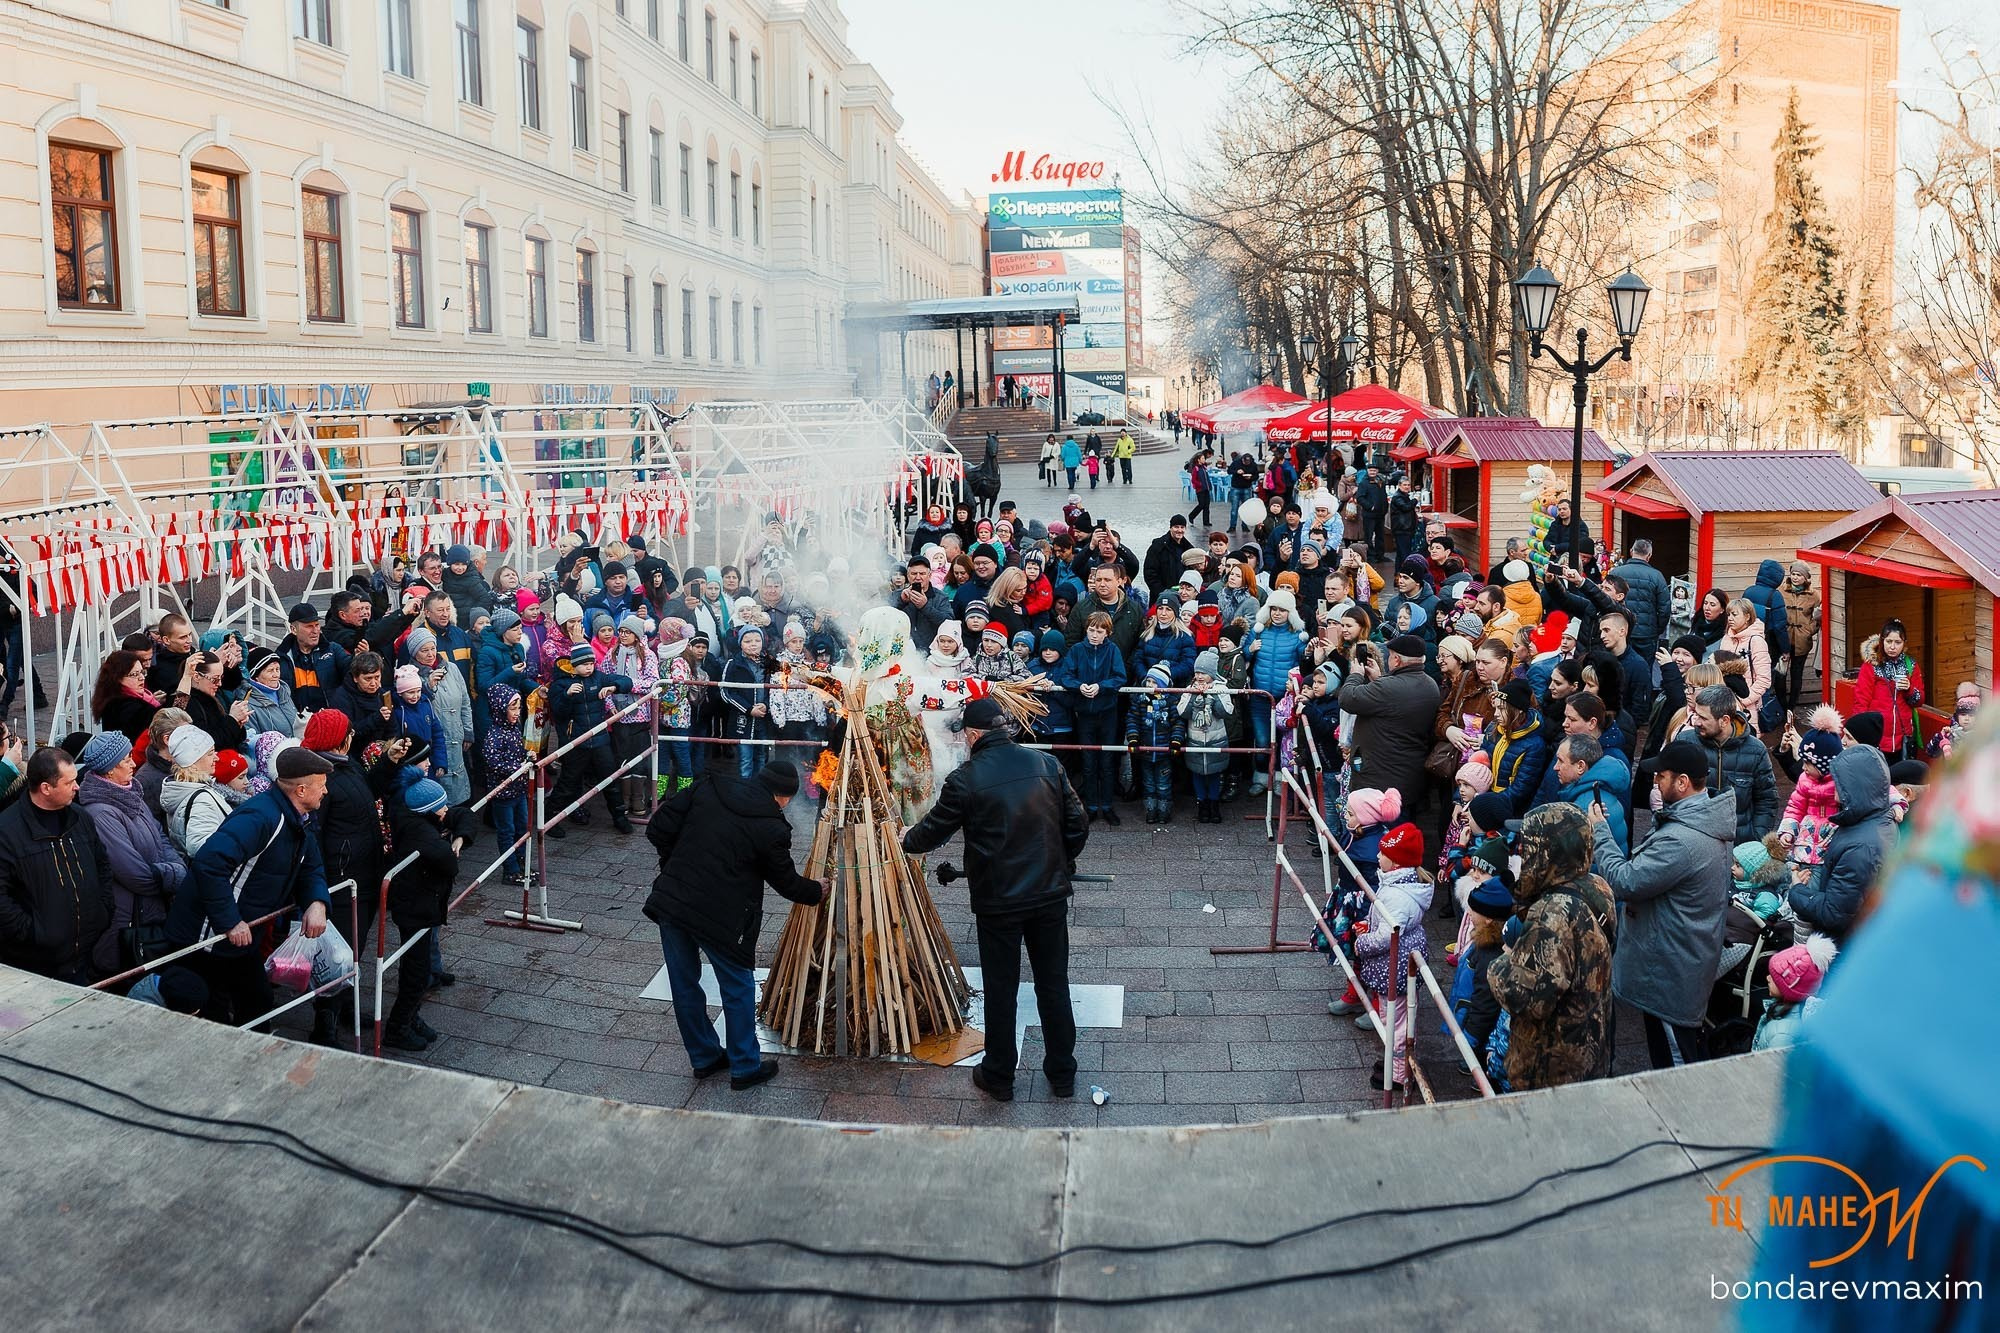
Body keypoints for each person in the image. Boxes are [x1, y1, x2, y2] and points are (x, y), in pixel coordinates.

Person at [903, 697, 1089, 1102]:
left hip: (998, 899)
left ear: (972, 734)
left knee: (1001, 987)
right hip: (1048, 894)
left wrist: (905, 838)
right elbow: (1077, 823)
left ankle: (1000, 1075)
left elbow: (933, 832)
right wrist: (1062, 861)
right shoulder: (1046, 764)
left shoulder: (966, 778)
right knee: (1053, 983)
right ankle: (1062, 1074)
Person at [645, 761, 827, 1090]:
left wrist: (675, 866)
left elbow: (658, 827)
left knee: (685, 984)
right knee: (738, 986)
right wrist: (818, 890)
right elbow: (786, 883)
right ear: (783, 798)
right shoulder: (771, 828)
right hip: (722, 916)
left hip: (673, 901)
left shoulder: (709, 785)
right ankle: (744, 1066)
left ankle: (704, 1057)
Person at [1588, 739, 1732, 1069]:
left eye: (1661, 776)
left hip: (1670, 972)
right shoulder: (1691, 824)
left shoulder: (1682, 839)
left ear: (1682, 782)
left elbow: (1625, 881)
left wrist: (1600, 832)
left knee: (1676, 1067)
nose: (1655, 782)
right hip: (1677, 962)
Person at [166, 746, 333, 1025]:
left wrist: (316, 902)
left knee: (257, 1004)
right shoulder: (261, 817)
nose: (325, 792)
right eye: (321, 786)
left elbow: (310, 865)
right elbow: (209, 862)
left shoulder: (299, 819)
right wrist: (230, 921)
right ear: (301, 790)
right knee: (213, 1013)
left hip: (244, 933)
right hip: (209, 935)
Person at [1486, 802, 1617, 1090]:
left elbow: (1527, 1000)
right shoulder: (1597, 886)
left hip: (1550, 1067)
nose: (1520, 851)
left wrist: (1499, 965)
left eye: (1527, 846)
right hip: (1590, 1046)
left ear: (1546, 854)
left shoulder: (1551, 914)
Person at [74, 731, 188, 980]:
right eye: (126, 760)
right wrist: (173, 875)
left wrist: (174, 868)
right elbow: (135, 874)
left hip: (148, 911)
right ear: (108, 770)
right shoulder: (101, 813)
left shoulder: (129, 793)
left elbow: (161, 836)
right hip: (127, 920)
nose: (133, 763)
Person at [0, 747, 116, 983]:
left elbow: (102, 865)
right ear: (46, 788)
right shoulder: (7, 831)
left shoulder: (80, 817)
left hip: (82, 957)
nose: (77, 787)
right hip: (33, 966)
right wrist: (35, 934)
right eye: (70, 782)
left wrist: (102, 911)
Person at [1788, 744, 1895, 944]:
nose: (1833, 784)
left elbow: (1834, 913)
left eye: (1839, 779)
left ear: (1855, 785)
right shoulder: (1873, 820)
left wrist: (1798, 891)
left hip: (1838, 948)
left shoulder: (1861, 847)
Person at [1339, 634, 1442, 820]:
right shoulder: (1431, 685)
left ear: (1396, 659)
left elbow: (1348, 698)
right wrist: (1380, 678)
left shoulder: (1388, 688)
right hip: (1410, 777)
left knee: (1382, 837)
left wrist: (1355, 675)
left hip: (1380, 780)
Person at [547, 641, 635, 835]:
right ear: (574, 664)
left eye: (592, 663)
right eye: (585, 664)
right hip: (576, 741)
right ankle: (549, 819)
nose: (589, 667)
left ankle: (619, 817)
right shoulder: (560, 684)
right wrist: (567, 695)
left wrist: (614, 687)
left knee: (610, 780)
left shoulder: (598, 677)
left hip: (600, 739)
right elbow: (558, 713)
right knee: (568, 783)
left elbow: (627, 682)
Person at [1684, 685, 1780, 844]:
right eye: (1696, 714)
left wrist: (1755, 839)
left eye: (1703, 718)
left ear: (1724, 720)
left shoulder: (1755, 750)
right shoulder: (1686, 742)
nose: (1696, 722)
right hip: (1696, 844)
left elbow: (1767, 800)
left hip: (1739, 846)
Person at [1850, 618, 1926, 760]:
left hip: (1902, 735)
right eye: (1889, 641)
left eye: (1898, 642)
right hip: (1877, 735)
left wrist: (1909, 689)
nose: (1892, 647)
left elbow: (1919, 701)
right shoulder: (1871, 666)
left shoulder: (1911, 666)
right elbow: (1861, 700)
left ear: (1904, 644)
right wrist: (1857, 732)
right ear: (1882, 641)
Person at [277, 603, 350, 713]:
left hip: (329, 718)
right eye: (309, 626)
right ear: (293, 629)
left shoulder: (333, 650)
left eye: (317, 625)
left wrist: (360, 660)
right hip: (297, 723)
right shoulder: (281, 658)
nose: (315, 631)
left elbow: (352, 670)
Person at [1779, 562, 1821, 713]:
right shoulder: (1781, 592)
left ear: (1806, 577)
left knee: (1797, 674)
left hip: (1802, 641)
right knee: (1780, 674)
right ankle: (1781, 706)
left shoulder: (1814, 595)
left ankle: (1792, 706)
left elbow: (1819, 617)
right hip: (1783, 639)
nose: (1795, 577)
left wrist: (1810, 630)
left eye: (1799, 575)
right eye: (1793, 574)